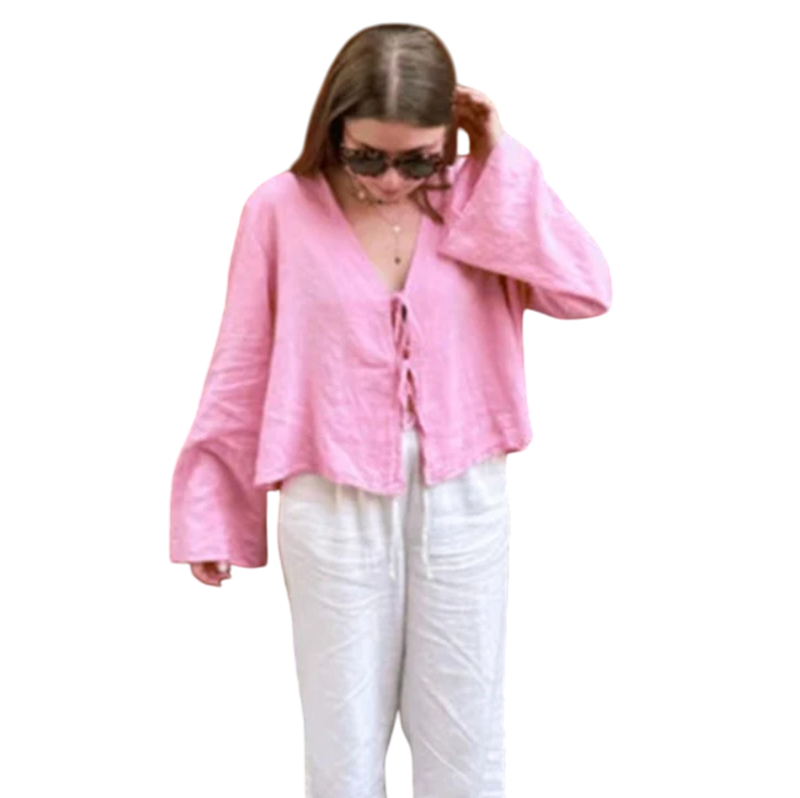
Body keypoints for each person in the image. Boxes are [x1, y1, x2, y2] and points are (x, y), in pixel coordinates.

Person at [169, 22, 612, 798]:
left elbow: (584, 289)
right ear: (334, 127)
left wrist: (498, 154)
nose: (392, 180)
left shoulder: (481, 198)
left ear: (450, 138)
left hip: (465, 494)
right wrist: (218, 508)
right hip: (328, 493)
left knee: (465, 735)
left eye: (419, 159)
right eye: (367, 156)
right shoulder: (279, 210)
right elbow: (242, 363)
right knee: (341, 739)